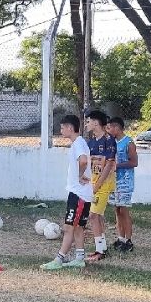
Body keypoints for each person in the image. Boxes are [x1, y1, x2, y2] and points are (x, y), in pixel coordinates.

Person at [40, 115, 91, 270]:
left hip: (79, 194)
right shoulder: (79, 143)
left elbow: (83, 160)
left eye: (62, 127)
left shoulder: (78, 143)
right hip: (80, 194)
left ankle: (59, 259)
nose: (61, 130)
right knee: (78, 227)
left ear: (70, 128)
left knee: (69, 228)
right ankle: (79, 259)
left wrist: (80, 175)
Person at [84, 110, 116, 263]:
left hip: (103, 185)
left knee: (93, 215)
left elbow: (109, 166)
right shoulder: (91, 142)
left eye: (88, 121)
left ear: (96, 123)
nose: (86, 124)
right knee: (97, 216)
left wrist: (96, 186)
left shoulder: (109, 140)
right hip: (93, 184)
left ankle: (100, 251)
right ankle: (102, 248)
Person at [107, 117, 138, 252]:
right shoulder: (112, 142)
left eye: (110, 128)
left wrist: (117, 166)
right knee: (117, 210)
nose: (108, 130)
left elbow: (134, 162)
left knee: (124, 210)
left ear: (117, 128)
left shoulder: (128, 143)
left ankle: (128, 240)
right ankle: (120, 238)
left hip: (125, 181)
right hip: (114, 181)